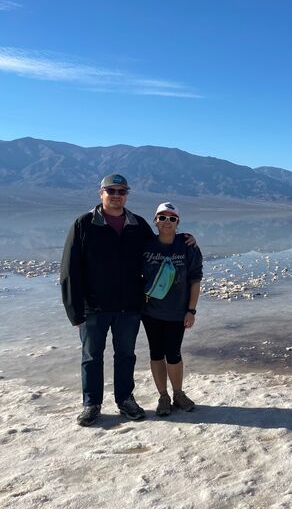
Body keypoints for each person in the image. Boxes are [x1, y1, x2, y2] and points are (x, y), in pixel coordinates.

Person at [60, 174, 195, 426]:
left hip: (129, 306)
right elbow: (69, 270)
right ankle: (91, 404)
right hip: (94, 306)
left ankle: (125, 400)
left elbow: (161, 240)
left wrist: (185, 238)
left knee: (126, 355)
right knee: (92, 356)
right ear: (101, 193)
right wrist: (74, 311)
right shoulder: (84, 224)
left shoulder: (137, 225)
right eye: (111, 190)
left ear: (127, 195)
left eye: (121, 191)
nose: (116, 195)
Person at [141, 202, 202, 416]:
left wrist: (191, 310)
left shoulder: (187, 245)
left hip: (177, 311)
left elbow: (195, 280)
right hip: (150, 311)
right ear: (155, 220)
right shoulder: (145, 245)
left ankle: (178, 393)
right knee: (156, 352)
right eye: (162, 217)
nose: (167, 222)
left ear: (178, 223)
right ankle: (163, 397)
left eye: (172, 218)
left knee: (174, 353)